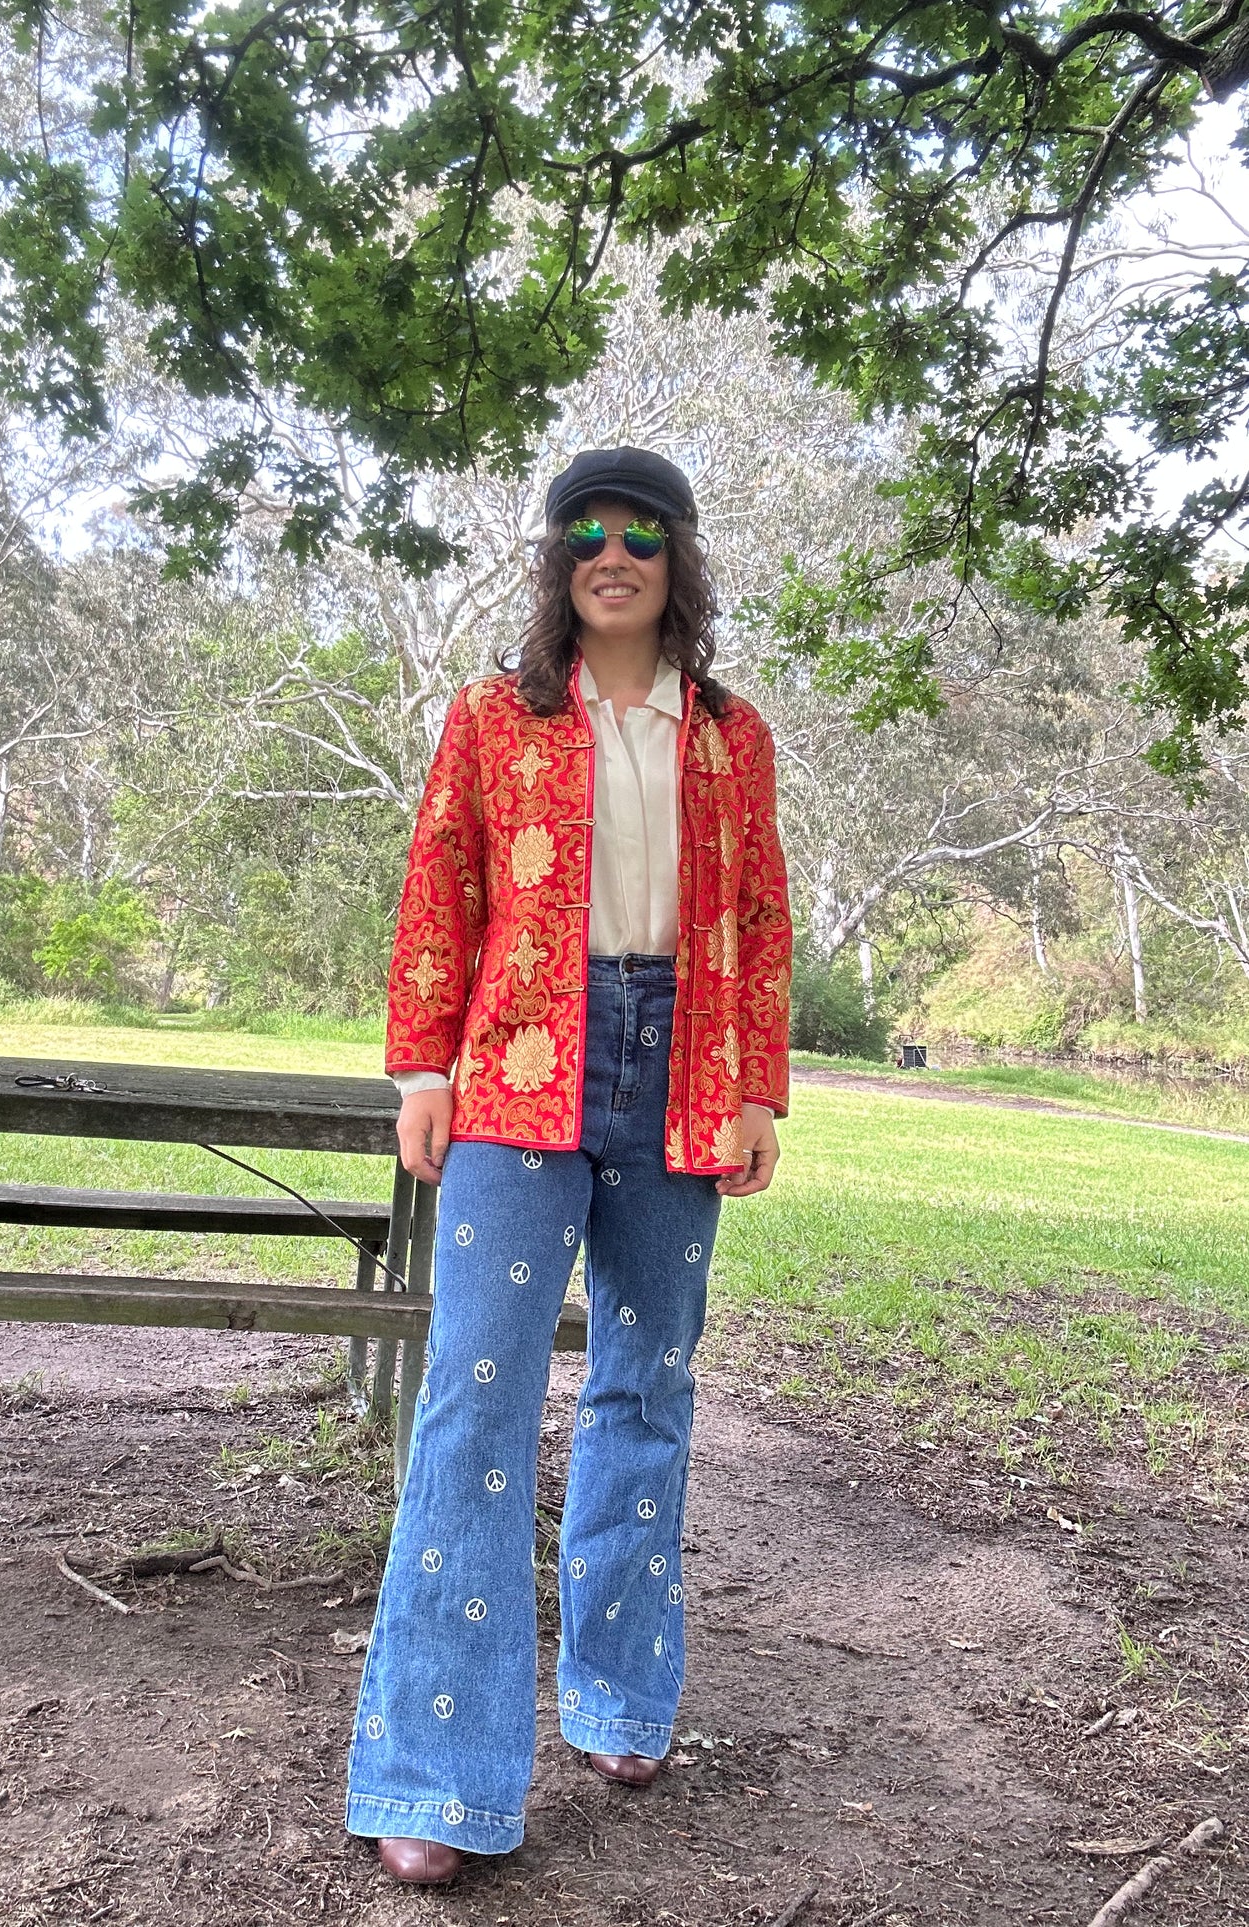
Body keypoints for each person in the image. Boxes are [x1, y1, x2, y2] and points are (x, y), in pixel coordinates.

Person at [344, 446, 792, 1883]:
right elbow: (440, 887)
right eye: (584, 532)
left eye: (639, 533)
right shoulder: (493, 718)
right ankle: (434, 1774)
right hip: (517, 1063)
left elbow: (763, 919)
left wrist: (756, 1091)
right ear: (557, 561)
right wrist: (423, 1064)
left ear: (677, 559)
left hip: (680, 1068)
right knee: (473, 1404)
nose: (611, 553)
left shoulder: (731, 734)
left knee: (645, 1382)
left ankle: (617, 1695)